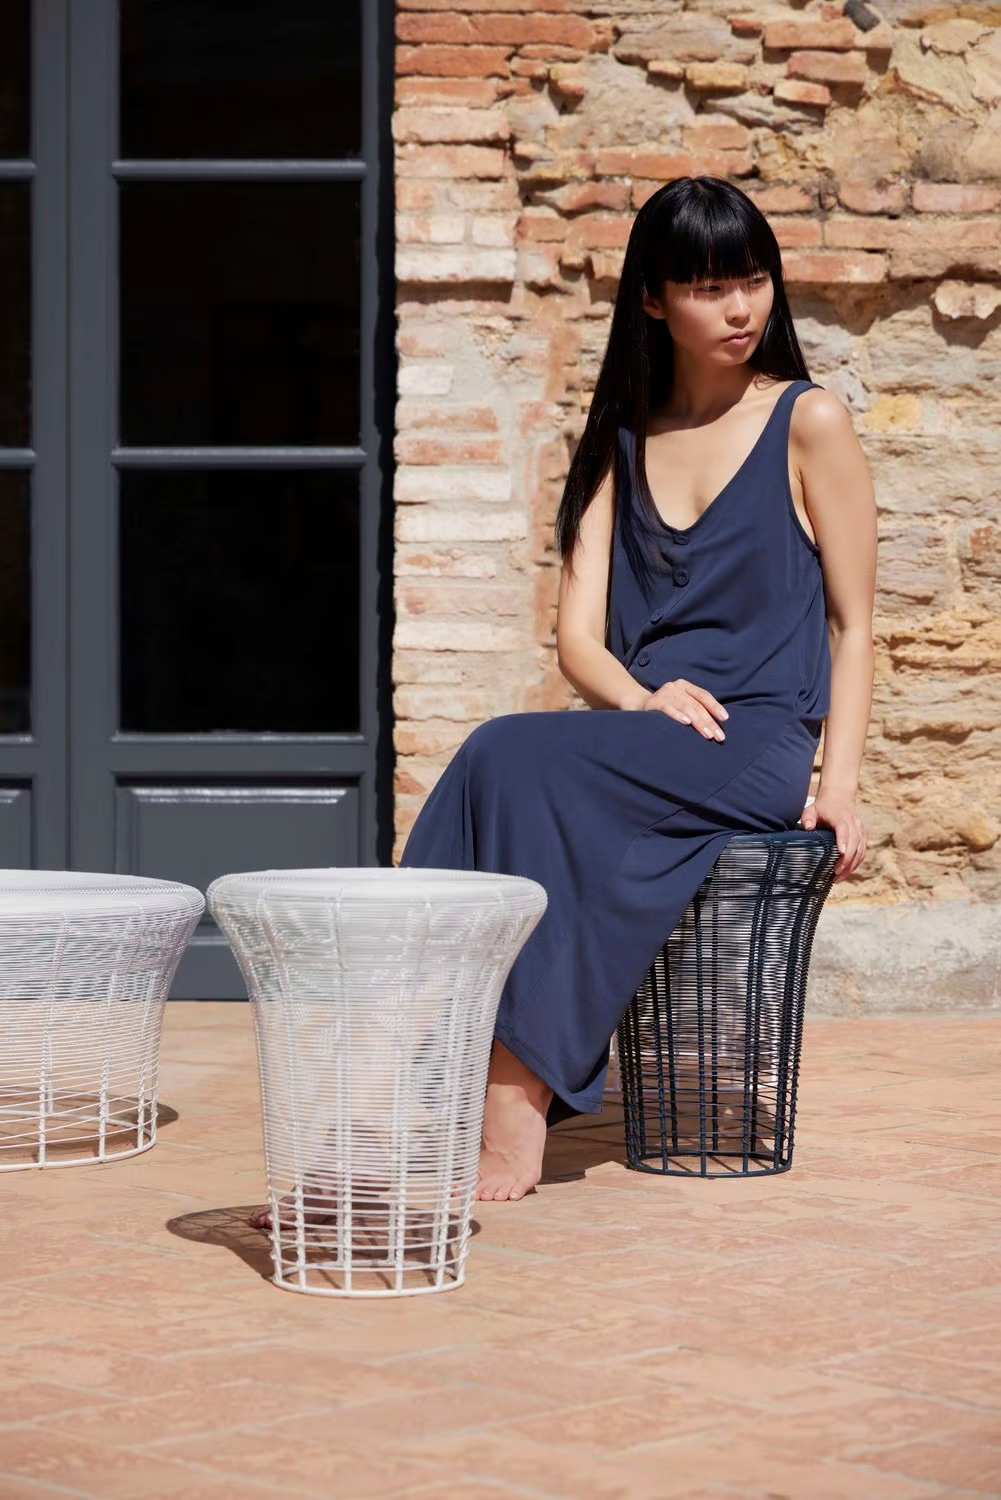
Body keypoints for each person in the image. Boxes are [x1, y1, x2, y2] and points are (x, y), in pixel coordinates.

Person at [402, 174, 877, 1206]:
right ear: (653, 300)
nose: (739, 308)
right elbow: (576, 637)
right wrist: (638, 699)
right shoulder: (622, 435)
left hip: (752, 740)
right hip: (652, 734)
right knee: (499, 761)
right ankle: (431, 1054)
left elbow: (852, 624)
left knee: (506, 753)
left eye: (751, 279)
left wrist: (835, 786)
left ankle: (505, 1106)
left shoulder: (808, 421)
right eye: (707, 288)